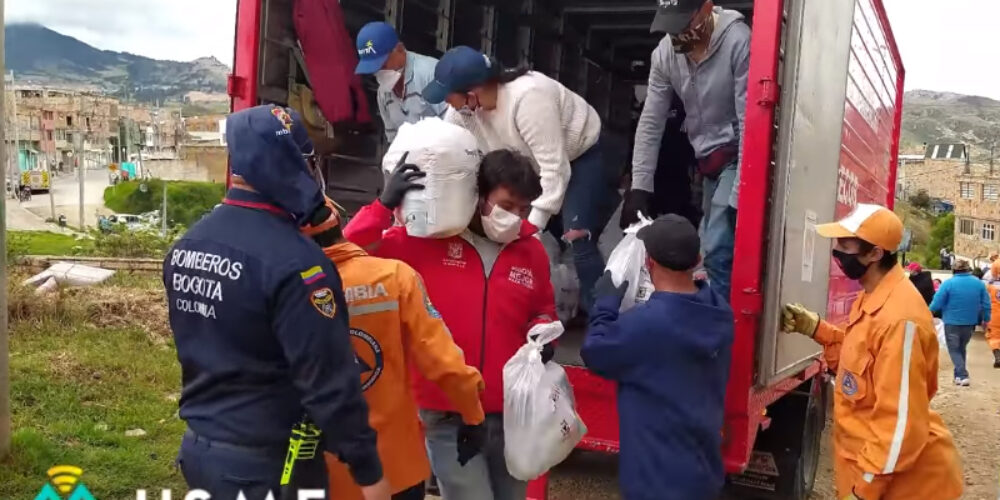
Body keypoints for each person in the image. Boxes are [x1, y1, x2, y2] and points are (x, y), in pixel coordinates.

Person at [165, 105, 390, 500]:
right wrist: (369, 472)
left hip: (200, 452)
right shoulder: (300, 266)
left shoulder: (187, 245)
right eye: (307, 161)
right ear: (288, 163)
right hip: (271, 468)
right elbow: (328, 383)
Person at [344, 149, 557, 500]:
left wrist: (543, 329)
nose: (515, 217)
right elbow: (346, 251)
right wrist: (383, 207)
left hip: (512, 413)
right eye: (507, 205)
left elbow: (543, 307)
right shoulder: (424, 242)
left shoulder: (530, 252)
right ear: (479, 196)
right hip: (446, 410)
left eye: (524, 209)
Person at [301, 196, 488, 500]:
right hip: (397, 469)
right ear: (340, 225)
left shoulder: (288, 289)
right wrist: (472, 415)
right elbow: (444, 363)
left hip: (321, 473)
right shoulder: (396, 277)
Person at [781, 204, 963, 500]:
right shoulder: (875, 297)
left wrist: (864, 491)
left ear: (875, 253)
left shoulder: (900, 320)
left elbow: (900, 424)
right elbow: (861, 368)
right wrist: (816, 329)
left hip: (905, 489)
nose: (836, 250)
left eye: (845, 244)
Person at [422, 45, 619, 315]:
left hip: (580, 157)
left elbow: (555, 169)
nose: (447, 103)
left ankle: (601, 319)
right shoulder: (462, 113)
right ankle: (548, 310)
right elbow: (451, 152)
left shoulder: (528, 99)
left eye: (449, 96)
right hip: (530, 163)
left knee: (577, 237)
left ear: (472, 92)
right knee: (533, 237)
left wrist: (529, 229)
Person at [581, 214, 733, 500]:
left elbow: (594, 351)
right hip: (703, 475)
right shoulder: (719, 311)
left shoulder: (648, 325)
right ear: (698, 258)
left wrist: (605, 305)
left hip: (654, 483)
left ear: (648, 263)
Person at [625, 0, 750, 303]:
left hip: (737, 152)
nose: (676, 35)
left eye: (684, 25)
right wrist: (639, 187)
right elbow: (651, 122)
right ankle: (711, 317)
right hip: (707, 162)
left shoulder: (738, 40)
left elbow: (750, 118)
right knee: (709, 248)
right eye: (670, 27)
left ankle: (718, 332)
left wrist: (740, 192)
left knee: (717, 247)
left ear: (706, 9)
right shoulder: (665, 55)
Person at [354, 22, 447, 142]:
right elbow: (394, 141)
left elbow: (457, 128)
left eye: (383, 64)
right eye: (373, 69)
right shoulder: (383, 93)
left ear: (400, 49)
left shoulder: (432, 74)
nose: (379, 72)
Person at [930, 259, 991, 386]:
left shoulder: (948, 284)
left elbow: (937, 302)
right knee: (961, 348)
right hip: (970, 322)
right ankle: (958, 375)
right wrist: (987, 318)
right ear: (968, 269)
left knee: (953, 349)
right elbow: (986, 303)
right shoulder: (978, 284)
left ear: (954, 270)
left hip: (952, 321)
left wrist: (927, 312)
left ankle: (963, 375)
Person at [986, 261, 1000, 368]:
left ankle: (998, 356)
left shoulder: (990, 286)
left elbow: (985, 300)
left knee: (994, 337)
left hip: (995, 315)